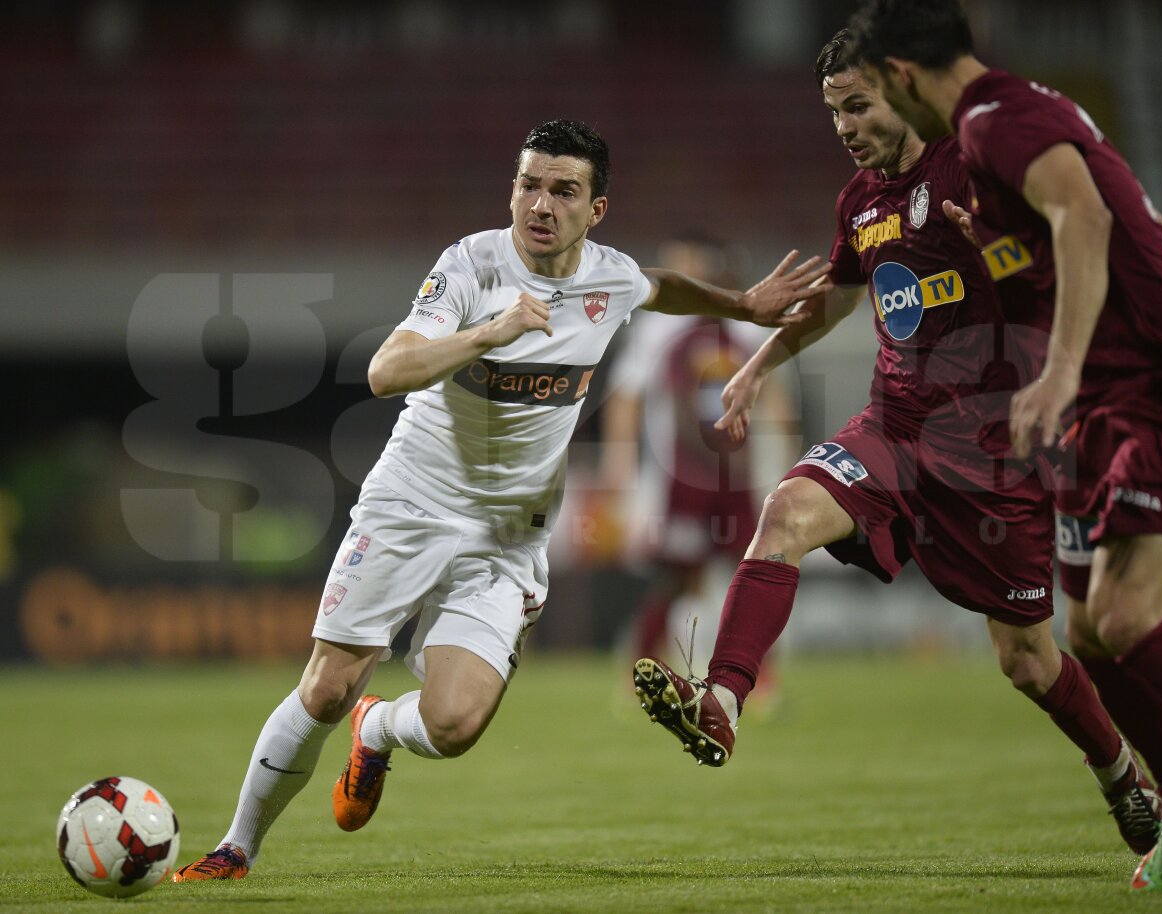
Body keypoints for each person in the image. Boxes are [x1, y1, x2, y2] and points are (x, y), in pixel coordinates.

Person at [170, 119, 831, 881]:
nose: (540, 204)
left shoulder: (608, 278)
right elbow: (387, 371)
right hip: (413, 503)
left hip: (509, 534)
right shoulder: (471, 265)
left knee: (454, 725)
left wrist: (743, 306)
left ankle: (378, 730)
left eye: (563, 190)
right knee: (326, 683)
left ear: (597, 209)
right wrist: (488, 333)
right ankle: (236, 848)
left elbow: (659, 286)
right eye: (528, 184)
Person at [632, 32, 1161, 858]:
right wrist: (760, 366)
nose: (844, 124)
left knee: (1027, 660)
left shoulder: (975, 167)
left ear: (902, 92)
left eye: (859, 104)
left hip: (994, 453)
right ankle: (724, 703)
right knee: (785, 514)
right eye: (833, 109)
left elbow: (1079, 238)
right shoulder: (859, 203)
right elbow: (839, 300)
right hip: (895, 428)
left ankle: (1120, 771)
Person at [846, 0, 1162, 892]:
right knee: (1089, 632)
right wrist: (1007, 253)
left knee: (1121, 620)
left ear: (899, 76)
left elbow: (1087, 220)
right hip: (1110, 402)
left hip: (1156, 385)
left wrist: (1062, 369)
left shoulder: (996, 123)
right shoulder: (1014, 120)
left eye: (870, 96)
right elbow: (1145, 228)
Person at [600, 232, 788, 689]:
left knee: (760, 568)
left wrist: (783, 464)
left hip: (739, 475)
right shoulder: (658, 329)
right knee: (679, 575)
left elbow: (776, 399)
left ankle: (757, 677)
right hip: (679, 477)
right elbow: (625, 399)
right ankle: (642, 665)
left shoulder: (747, 326)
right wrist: (617, 466)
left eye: (685, 261)